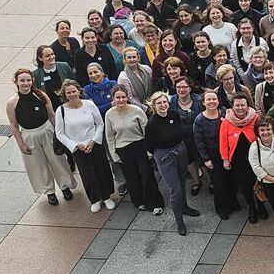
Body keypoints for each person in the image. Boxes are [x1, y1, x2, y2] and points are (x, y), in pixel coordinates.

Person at [7, 68, 77, 206]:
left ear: (32, 81)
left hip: (46, 130)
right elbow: (13, 125)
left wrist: (59, 134)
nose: (25, 83)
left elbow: (51, 115)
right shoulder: (12, 103)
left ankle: (65, 186)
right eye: (22, 80)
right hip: (28, 135)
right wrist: (21, 144)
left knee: (57, 160)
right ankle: (49, 191)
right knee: (38, 165)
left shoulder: (41, 95)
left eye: (28, 80)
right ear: (16, 81)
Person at [54, 79, 115, 213]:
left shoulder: (89, 104)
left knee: (102, 170)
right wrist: (76, 145)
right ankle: (95, 199)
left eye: (73, 91)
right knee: (87, 174)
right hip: (77, 148)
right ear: (64, 94)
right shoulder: (61, 110)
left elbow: (99, 124)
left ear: (79, 91)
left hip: (94, 143)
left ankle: (106, 197)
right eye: (68, 93)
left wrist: (93, 140)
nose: (71, 94)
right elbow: (60, 133)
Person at [146, 91, 201, 235]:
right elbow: (149, 145)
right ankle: (179, 221)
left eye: (165, 102)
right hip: (164, 156)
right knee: (175, 189)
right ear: (154, 106)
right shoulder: (152, 123)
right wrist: (162, 154)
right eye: (159, 103)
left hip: (180, 150)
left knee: (182, 181)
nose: (163, 105)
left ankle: (184, 206)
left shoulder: (174, 115)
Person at [106, 85, 164, 215]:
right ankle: (139, 201)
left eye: (123, 97)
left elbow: (146, 131)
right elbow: (109, 135)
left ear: (127, 97)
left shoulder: (137, 110)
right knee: (131, 176)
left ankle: (155, 203)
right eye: (118, 97)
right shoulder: (109, 114)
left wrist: (149, 150)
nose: (121, 100)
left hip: (139, 145)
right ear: (113, 99)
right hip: (122, 148)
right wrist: (113, 154)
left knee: (147, 174)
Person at [220, 92, 270, 223]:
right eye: (237, 105)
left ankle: (261, 206)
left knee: (257, 182)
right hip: (237, 161)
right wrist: (225, 158)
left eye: (243, 104)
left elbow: (263, 135)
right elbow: (223, 141)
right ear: (232, 106)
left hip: (255, 159)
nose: (240, 107)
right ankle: (251, 208)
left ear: (248, 105)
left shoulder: (255, 118)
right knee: (244, 186)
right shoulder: (226, 122)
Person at [194, 89, 240, 220]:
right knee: (219, 183)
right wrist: (206, 159)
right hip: (212, 155)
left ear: (218, 100)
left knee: (232, 180)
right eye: (208, 99)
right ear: (203, 102)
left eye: (214, 99)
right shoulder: (199, 120)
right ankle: (222, 208)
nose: (211, 102)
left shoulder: (225, 112)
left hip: (228, 152)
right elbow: (199, 141)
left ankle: (233, 202)